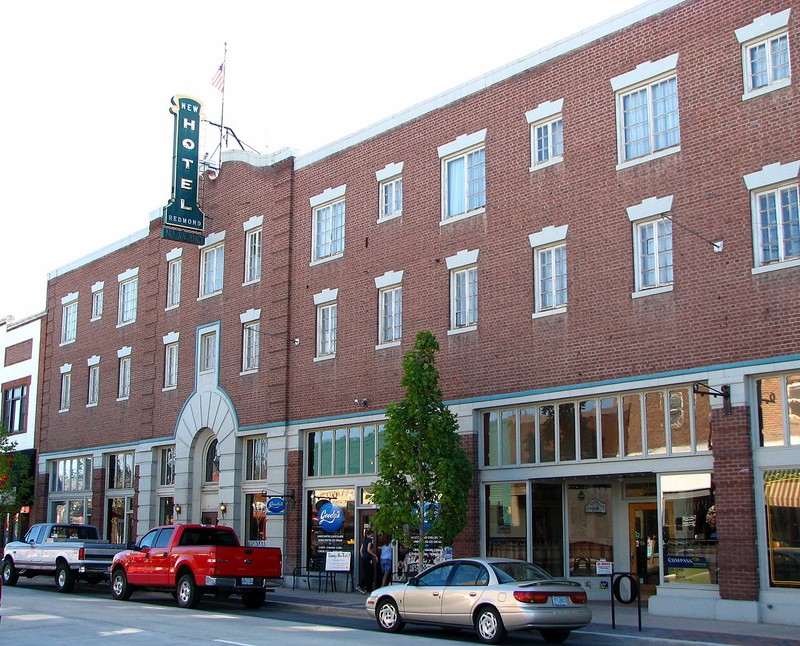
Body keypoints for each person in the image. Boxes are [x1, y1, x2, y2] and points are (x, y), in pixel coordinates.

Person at [357, 529, 377, 594]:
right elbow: (369, 549)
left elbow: (360, 550)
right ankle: (365, 587)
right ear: (370, 534)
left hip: (364, 558)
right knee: (369, 574)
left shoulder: (364, 541)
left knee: (366, 573)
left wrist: (363, 556)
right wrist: (375, 555)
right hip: (368, 558)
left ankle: (363, 586)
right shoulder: (370, 540)